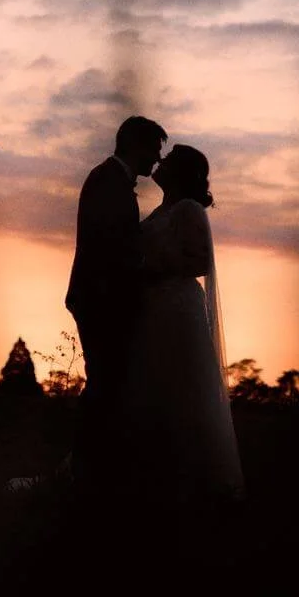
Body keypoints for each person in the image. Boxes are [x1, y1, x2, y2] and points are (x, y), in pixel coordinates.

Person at [120, 143, 244, 507]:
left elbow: (201, 262)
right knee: (151, 387)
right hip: (154, 309)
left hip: (176, 309)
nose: (161, 160)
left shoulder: (189, 209)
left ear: (182, 172)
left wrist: (150, 270)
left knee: (178, 387)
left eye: (170, 158)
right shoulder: (163, 209)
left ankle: (186, 487)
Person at [65, 115, 167, 492]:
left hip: (103, 299)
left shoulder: (112, 181)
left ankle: (93, 468)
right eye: (153, 150)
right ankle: (85, 470)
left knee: (107, 384)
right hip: (100, 300)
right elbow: (110, 249)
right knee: (104, 385)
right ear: (135, 145)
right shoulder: (107, 181)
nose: (157, 159)